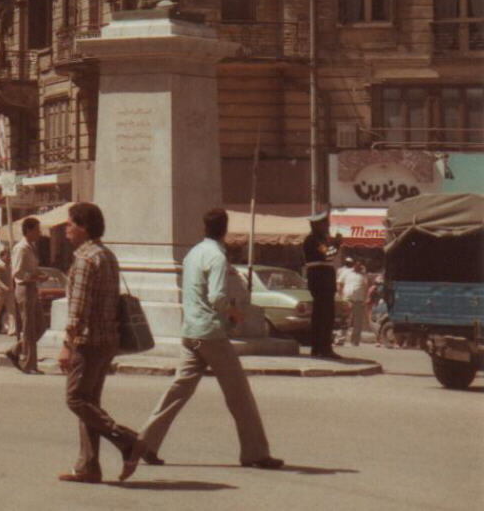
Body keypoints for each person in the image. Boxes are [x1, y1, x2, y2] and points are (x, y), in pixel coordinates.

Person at [125, 209, 282, 479]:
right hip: (211, 333)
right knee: (240, 395)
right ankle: (255, 452)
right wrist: (233, 313)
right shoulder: (217, 257)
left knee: (177, 391)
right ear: (225, 229)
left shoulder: (193, 253)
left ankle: (145, 444)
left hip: (190, 331)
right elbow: (217, 296)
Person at [57, 202, 138, 484]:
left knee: (75, 398)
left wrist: (67, 345)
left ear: (84, 227)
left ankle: (124, 438)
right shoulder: (107, 256)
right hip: (108, 340)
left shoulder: (84, 259)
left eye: (70, 224)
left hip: (88, 341)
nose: (66, 228)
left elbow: (77, 310)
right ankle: (89, 465)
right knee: (90, 401)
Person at [8, 217, 44, 374]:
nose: (40, 233)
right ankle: (30, 365)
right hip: (24, 288)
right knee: (29, 328)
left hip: (32, 288)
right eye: (37, 229)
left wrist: (38, 275)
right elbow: (17, 272)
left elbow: (30, 269)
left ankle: (15, 350)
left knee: (40, 326)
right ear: (28, 230)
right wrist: (35, 277)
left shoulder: (31, 247)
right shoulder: (21, 248)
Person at [302, 213, 339, 359]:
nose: (328, 226)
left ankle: (319, 348)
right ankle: (323, 348)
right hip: (320, 280)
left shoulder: (320, 240)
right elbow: (328, 255)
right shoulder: (313, 240)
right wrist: (337, 244)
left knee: (322, 315)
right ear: (317, 225)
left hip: (323, 279)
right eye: (325, 224)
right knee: (324, 315)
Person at [337, 259, 369, 348]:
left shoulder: (363, 275)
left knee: (357, 322)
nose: (358, 265)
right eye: (357, 263)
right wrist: (340, 296)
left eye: (360, 264)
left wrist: (365, 299)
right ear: (354, 264)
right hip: (347, 299)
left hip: (359, 300)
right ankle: (340, 339)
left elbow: (366, 286)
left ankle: (355, 341)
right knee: (345, 320)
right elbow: (339, 283)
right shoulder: (346, 272)